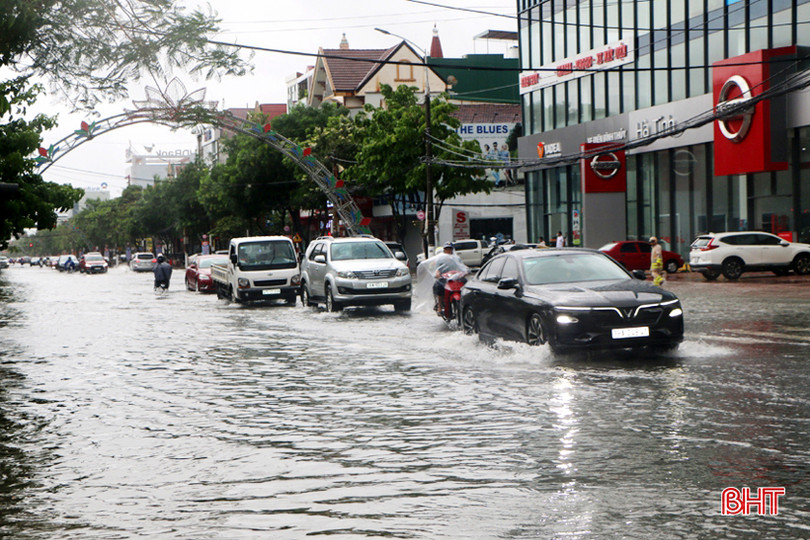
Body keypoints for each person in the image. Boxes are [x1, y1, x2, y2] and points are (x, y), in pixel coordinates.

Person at [432, 242, 468, 314]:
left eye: (450, 249)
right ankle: (439, 306)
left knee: (466, 284)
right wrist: (438, 274)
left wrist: (465, 272)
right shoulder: (440, 258)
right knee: (439, 286)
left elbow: (462, 267)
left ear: (452, 249)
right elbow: (436, 269)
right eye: (446, 249)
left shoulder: (457, 258)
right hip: (444, 278)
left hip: (456, 278)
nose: (448, 250)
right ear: (444, 250)